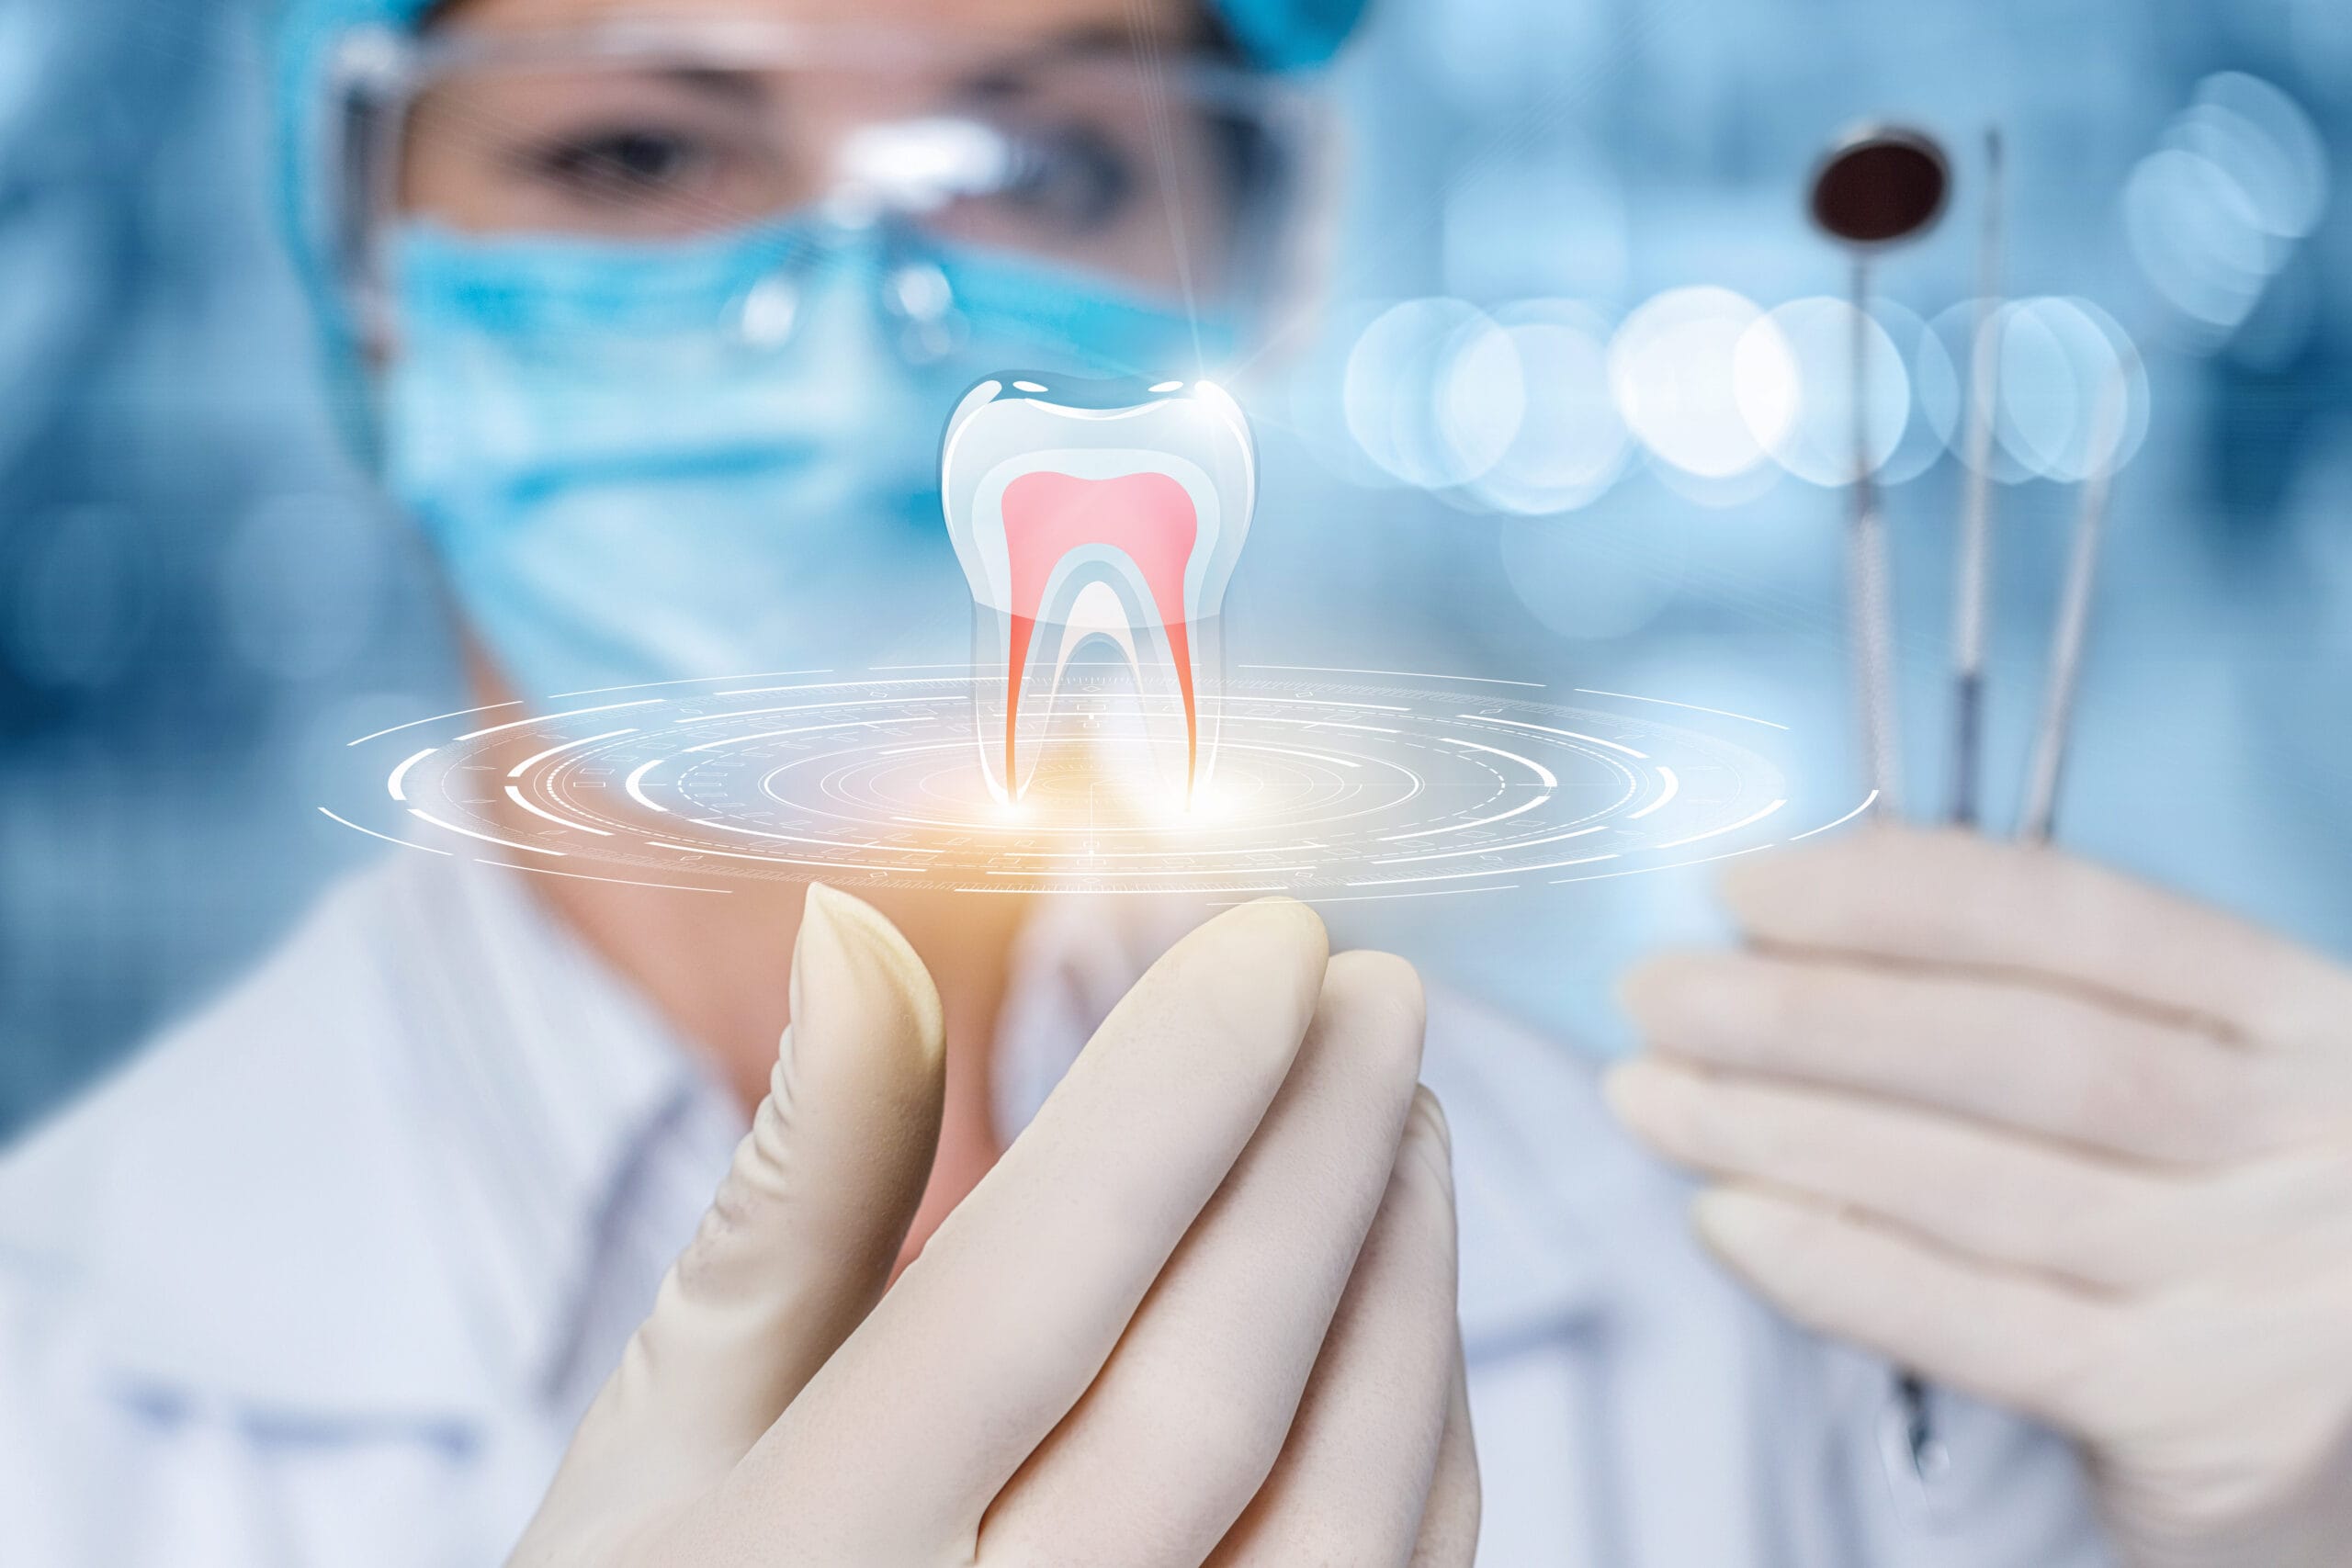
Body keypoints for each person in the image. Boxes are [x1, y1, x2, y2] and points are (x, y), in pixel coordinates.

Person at [4, 2, 2346, 1567]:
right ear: (366, 257)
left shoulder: (1726, 1298)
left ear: (1258, 264)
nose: (856, 330)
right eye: (639, 151)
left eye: (1031, 165)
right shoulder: (54, 1382)